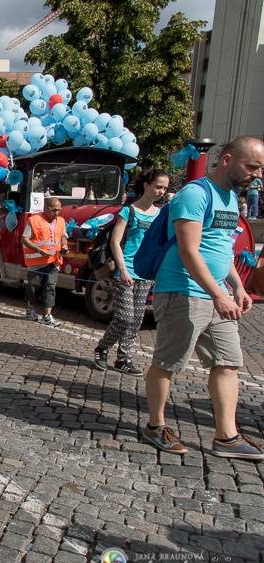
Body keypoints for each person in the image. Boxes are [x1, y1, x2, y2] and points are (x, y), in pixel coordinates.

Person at [142, 136, 264, 460]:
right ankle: (155, 426)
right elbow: (189, 251)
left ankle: (227, 436)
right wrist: (218, 294)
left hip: (216, 294)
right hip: (182, 292)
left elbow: (221, 248)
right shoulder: (195, 194)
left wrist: (237, 286)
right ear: (227, 160)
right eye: (251, 166)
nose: (257, 175)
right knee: (167, 363)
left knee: (228, 362)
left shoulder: (230, 197)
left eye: (260, 169)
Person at [93, 169, 167, 375]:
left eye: (164, 188)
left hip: (146, 273)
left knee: (136, 319)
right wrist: (123, 270)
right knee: (125, 316)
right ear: (146, 185)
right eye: (158, 187)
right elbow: (115, 242)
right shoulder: (129, 211)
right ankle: (102, 348)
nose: (161, 191)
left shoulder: (161, 214)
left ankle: (123, 359)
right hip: (125, 271)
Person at [22, 196, 67, 326]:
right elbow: (24, 239)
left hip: (54, 261)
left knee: (50, 287)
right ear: (46, 208)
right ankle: (31, 310)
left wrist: (64, 246)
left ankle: (47, 315)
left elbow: (63, 236)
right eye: (54, 210)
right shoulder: (34, 220)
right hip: (36, 263)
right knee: (33, 288)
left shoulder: (61, 221)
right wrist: (39, 250)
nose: (57, 213)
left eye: (59, 210)